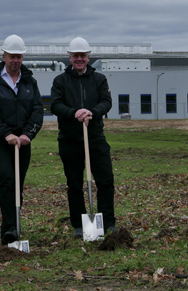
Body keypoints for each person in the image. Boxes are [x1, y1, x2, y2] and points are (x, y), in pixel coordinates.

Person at [0, 34, 43, 245]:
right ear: (4, 56)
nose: (16, 60)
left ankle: (13, 222)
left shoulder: (29, 82)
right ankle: (9, 229)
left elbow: (37, 110)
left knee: (18, 183)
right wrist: (6, 134)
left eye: (20, 57)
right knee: (6, 178)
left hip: (22, 140)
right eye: (12, 56)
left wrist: (27, 134)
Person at [50, 37, 117, 238]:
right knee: (75, 184)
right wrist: (74, 113)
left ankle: (108, 222)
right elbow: (55, 105)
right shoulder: (60, 81)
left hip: (95, 137)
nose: (79, 59)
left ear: (88, 57)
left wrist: (92, 112)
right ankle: (79, 224)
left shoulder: (99, 79)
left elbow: (106, 102)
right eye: (75, 56)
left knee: (105, 180)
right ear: (70, 58)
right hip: (69, 139)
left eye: (83, 56)